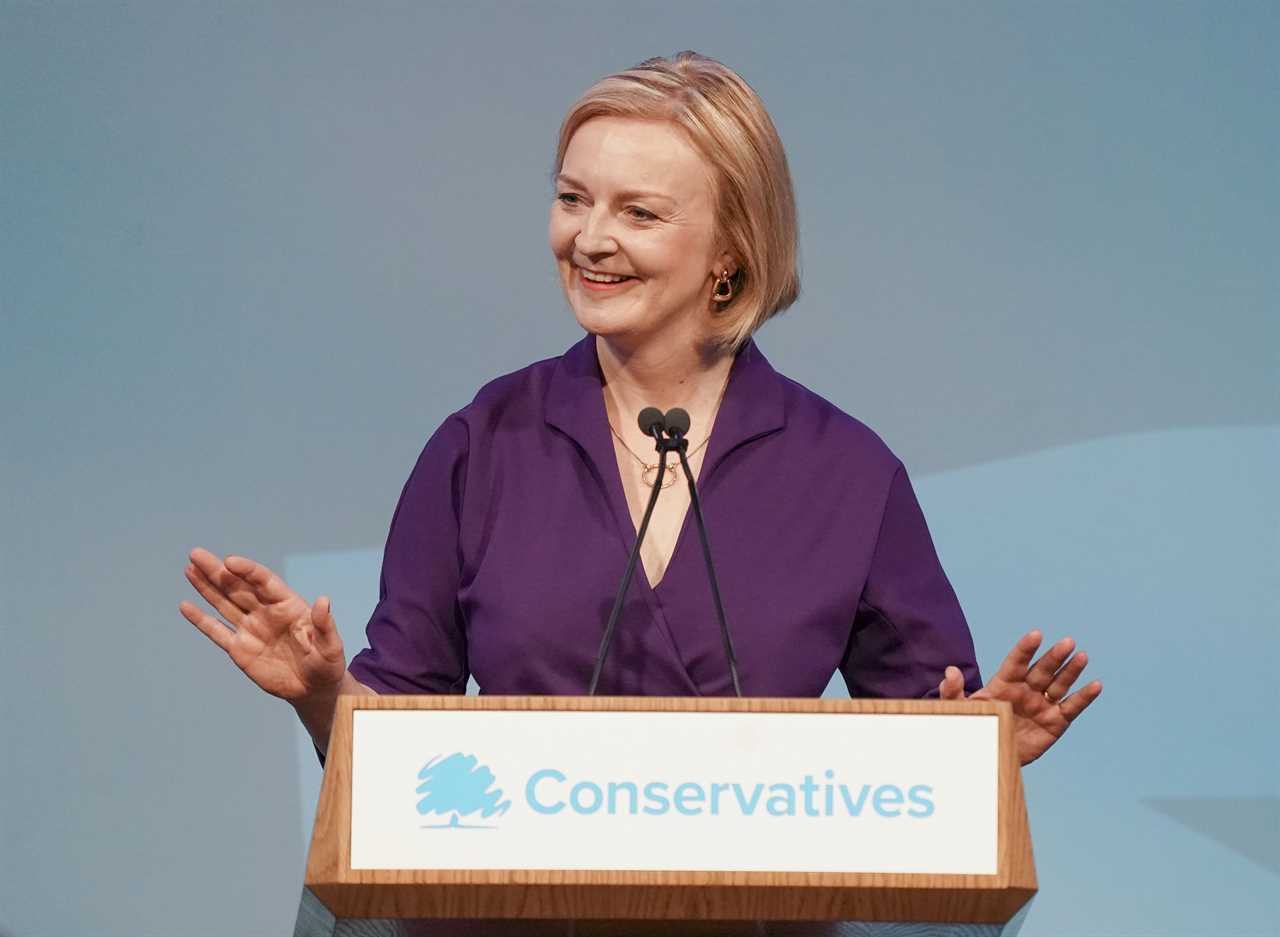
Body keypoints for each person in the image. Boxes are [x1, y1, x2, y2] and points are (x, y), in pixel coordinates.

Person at [179, 52, 1100, 770]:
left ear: (731, 252)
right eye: (572, 199)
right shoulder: (481, 447)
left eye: (639, 213)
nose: (589, 238)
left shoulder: (846, 474)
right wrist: (321, 692)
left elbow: (922, 750)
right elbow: (391, 756)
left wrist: (979, 755)